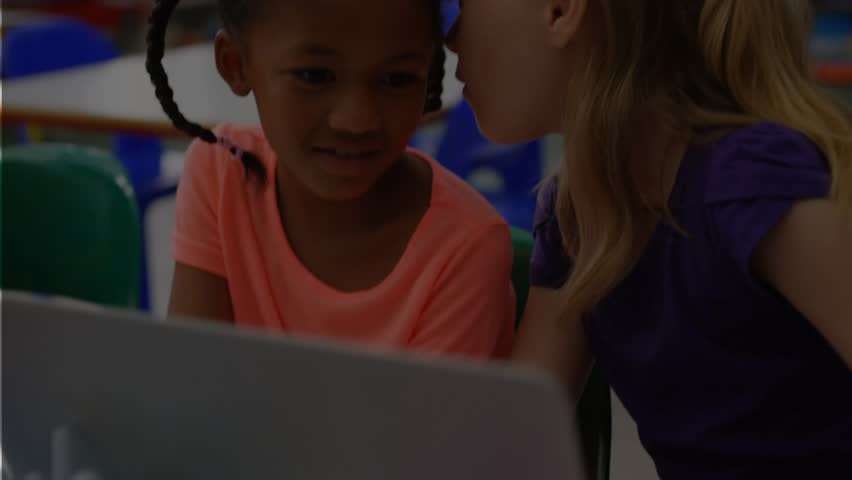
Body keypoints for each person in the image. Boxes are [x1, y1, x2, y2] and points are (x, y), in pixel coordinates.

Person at [447, 0, 852, 477]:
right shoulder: (578, 212)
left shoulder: (754, 183)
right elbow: (514, 444)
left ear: (561, 10)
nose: (449, 37)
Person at [144, 0, 515, 358]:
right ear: (235, 64)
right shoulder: (222, 170)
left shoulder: (467, 247)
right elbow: (192, 382)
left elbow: (420, 425)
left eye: (397, 79)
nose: (357, 121)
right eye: (315, 76)